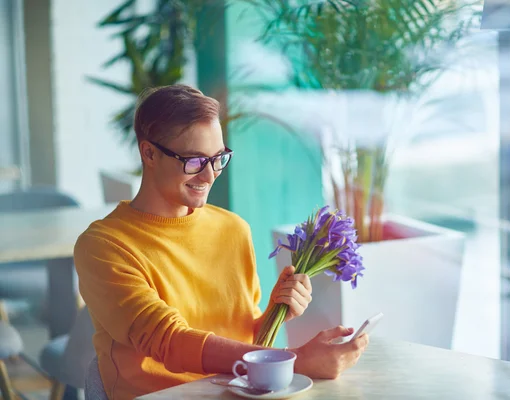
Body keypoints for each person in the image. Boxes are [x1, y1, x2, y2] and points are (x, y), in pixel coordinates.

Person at [74, 84, 369, 400]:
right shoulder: (104, 246)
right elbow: (168, 341)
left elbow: (242, 338)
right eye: (194, 161)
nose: (209, 175)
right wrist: (289, 362)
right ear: (149, 153)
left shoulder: (233, 229)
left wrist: (275, 311)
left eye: (218, 158)